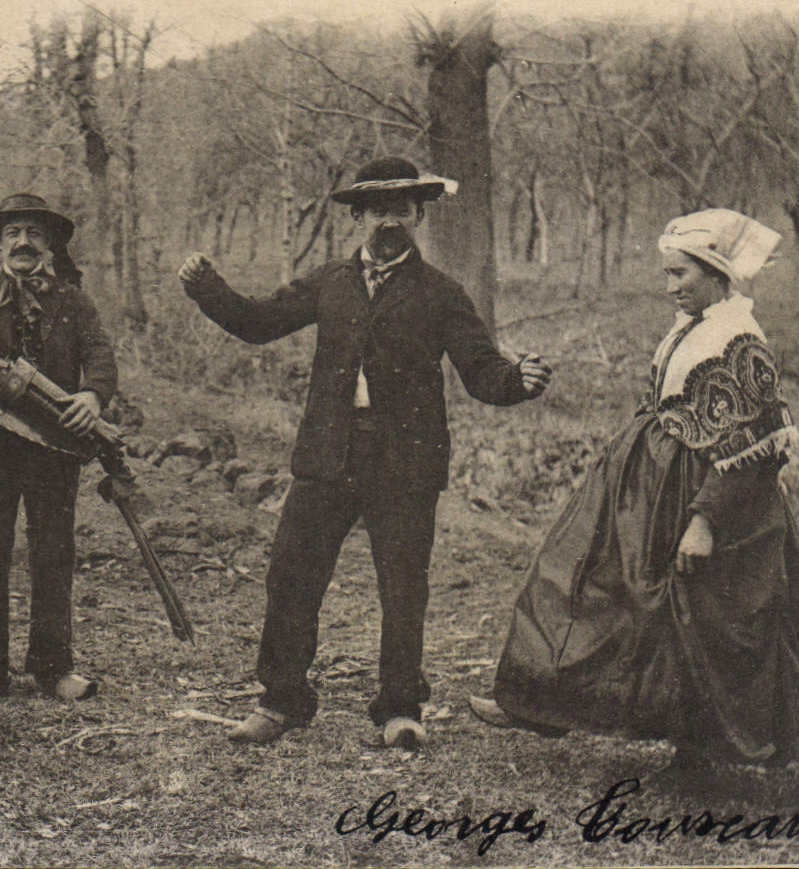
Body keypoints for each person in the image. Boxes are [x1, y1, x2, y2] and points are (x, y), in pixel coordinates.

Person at [178, 157, 552, 748]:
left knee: (403, 588)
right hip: (327, 457)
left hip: (406, 464)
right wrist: (207, 288)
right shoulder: (329, 282)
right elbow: (255, 323)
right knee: (291, 576)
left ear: (419, 216)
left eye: (401, 209)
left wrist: (519, 380)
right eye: (377, 209)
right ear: (359, 216)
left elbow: (481, 372)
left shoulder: (441, 293)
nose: (389, 221)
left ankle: (400, 709)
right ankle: (281, 701)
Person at [470, 209, 799, 773]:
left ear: (716, 273)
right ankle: (536, 700)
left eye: (680, 276)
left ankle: (700, 756)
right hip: (645, 492)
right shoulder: (697, 325)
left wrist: (704, 522)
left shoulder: (739, 340)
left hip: (698, 500)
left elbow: (755, 447)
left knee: (696, 621)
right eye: (667, 274)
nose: (671, 287)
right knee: (582, 585)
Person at [0, 194, 118, 701]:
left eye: (33, 232)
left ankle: (53, 667)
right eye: (13, 233)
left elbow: (100, 356)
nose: (23, 242)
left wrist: (92, 396)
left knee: (53, 551)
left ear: (49, 244)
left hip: (53, 448)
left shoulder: (74, 303)